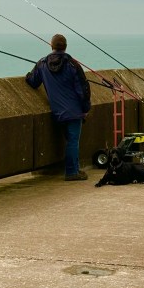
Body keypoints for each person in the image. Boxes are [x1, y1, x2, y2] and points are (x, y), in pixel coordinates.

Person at [25, 33, 91, 181]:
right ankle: (72, 172)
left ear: (51, 46)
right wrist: (86, 108)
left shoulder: (42, 63)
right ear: (65, 47)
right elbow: (83, 90)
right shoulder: (73, 65)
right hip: (74, 112)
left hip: (57, 112)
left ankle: (74, 169)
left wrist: (28, 75)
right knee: (73, 141)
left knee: (69, 141)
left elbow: (33, 81)